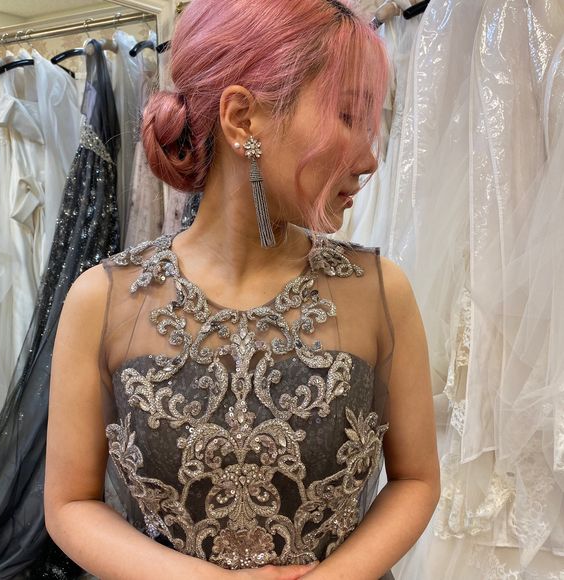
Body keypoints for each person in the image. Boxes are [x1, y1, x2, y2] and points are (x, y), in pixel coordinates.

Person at [44, 0, 440, 578]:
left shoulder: (379, 292)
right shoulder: (103, 300)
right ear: (241, 118)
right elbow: (69, 503)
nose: (369, 158)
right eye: (348, 117)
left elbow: (417, 479)